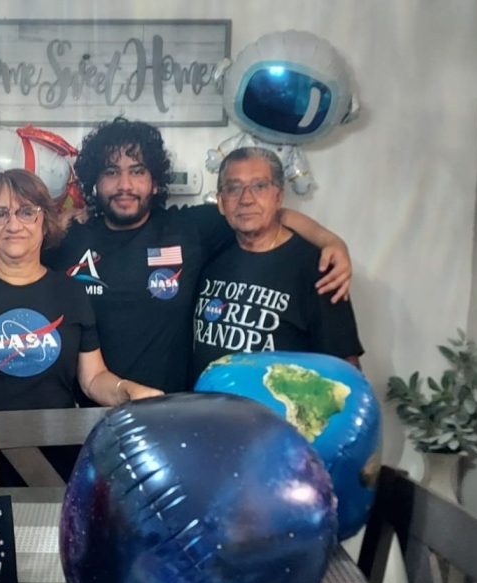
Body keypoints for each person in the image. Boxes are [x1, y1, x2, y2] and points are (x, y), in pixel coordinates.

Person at [36, 117, 353, 395]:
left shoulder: (189, 229)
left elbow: (260, 212)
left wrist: (330, 240)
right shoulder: (70, 236)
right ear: (95, 180)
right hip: (83, 413)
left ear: (155, 180)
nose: (125, 185)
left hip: (172, 412)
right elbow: (3, 260)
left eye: (137, 171)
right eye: (111, 172)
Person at [0, 169, 162, 413]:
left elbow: (93, 378)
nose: (13, 225)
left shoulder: (70, 293)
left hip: (57, 446)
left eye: (27, 212)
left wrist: (126, 390)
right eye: (0, 213)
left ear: (45, 222)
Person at [191, 147, 363, 381]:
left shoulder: (318, 268)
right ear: (221, 202)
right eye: (233, 188)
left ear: (278, 197)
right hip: (206, 412)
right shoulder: (210, 251)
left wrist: (333, 242)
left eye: (259, 186)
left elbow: (346, 370)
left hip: (277, 416)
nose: (246, 199)